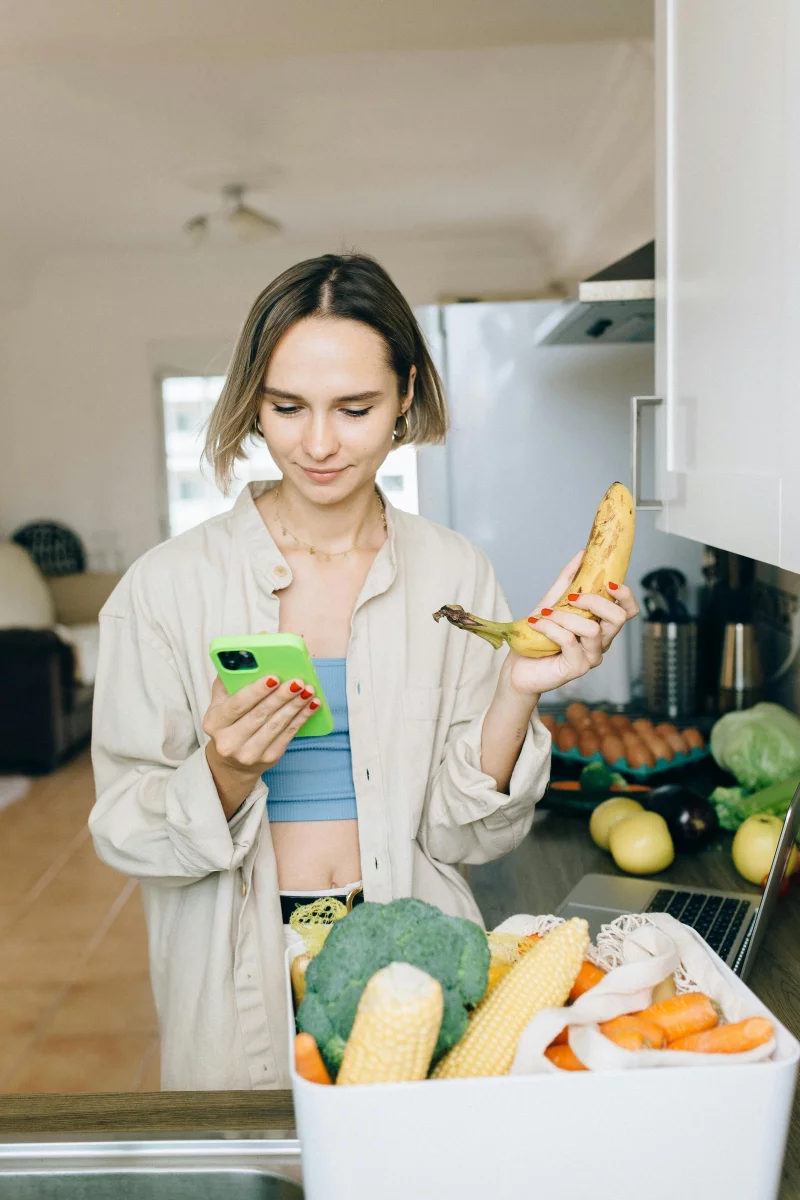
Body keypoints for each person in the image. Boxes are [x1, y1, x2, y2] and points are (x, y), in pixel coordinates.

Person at [89, 253, 638, 1090]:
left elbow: (468, 835)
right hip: (236, 982)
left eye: (354, 408)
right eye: (286, 407)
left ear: (405, 396)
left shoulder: (455, 576)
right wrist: (225, 773)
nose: (317, 443)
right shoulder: (163, 590)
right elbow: (124, 827)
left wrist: (516, 693)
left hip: (419, 968)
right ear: (252, 402)